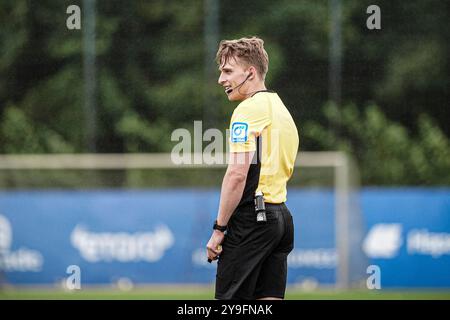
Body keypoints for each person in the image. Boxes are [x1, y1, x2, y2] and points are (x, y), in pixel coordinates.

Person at [206, 36, 299, 300]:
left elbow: (237, 174)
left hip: (253, 220)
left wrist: (219, 229)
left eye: (227, 71)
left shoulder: (248, 110)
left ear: (251, 72)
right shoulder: (282, 109)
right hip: (281, 219)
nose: (221, 80)